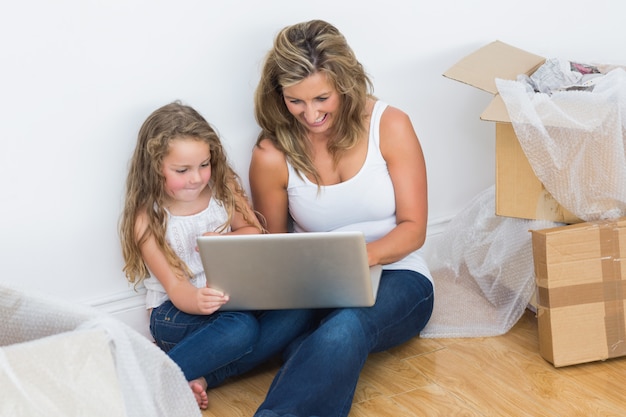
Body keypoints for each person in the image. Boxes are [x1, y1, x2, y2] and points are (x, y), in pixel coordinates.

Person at [249, 20, 435, 417]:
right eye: (295, 101)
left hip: (398, 273)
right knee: (270, 338)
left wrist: (358, 259)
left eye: (322, 98)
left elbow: (414, 228)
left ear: (345, 83)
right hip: (315, 286)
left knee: (347, 327)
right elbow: (273, 247)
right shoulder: (271, 153)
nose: (310, 114)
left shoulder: (390, 124)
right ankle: (187, 377)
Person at [119, 101, 313, 410]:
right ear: (156, 167)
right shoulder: (148, 218)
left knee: (299, 311)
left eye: (204, 165)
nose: (196, 178)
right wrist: (197, 301)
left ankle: (201, 378)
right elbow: (176, 286)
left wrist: (226, 239)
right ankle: (147, 380)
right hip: (176, 312)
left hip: (231, 302)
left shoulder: (223, 189)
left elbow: (254, 234)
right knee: (241, 329)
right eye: (182, 170)